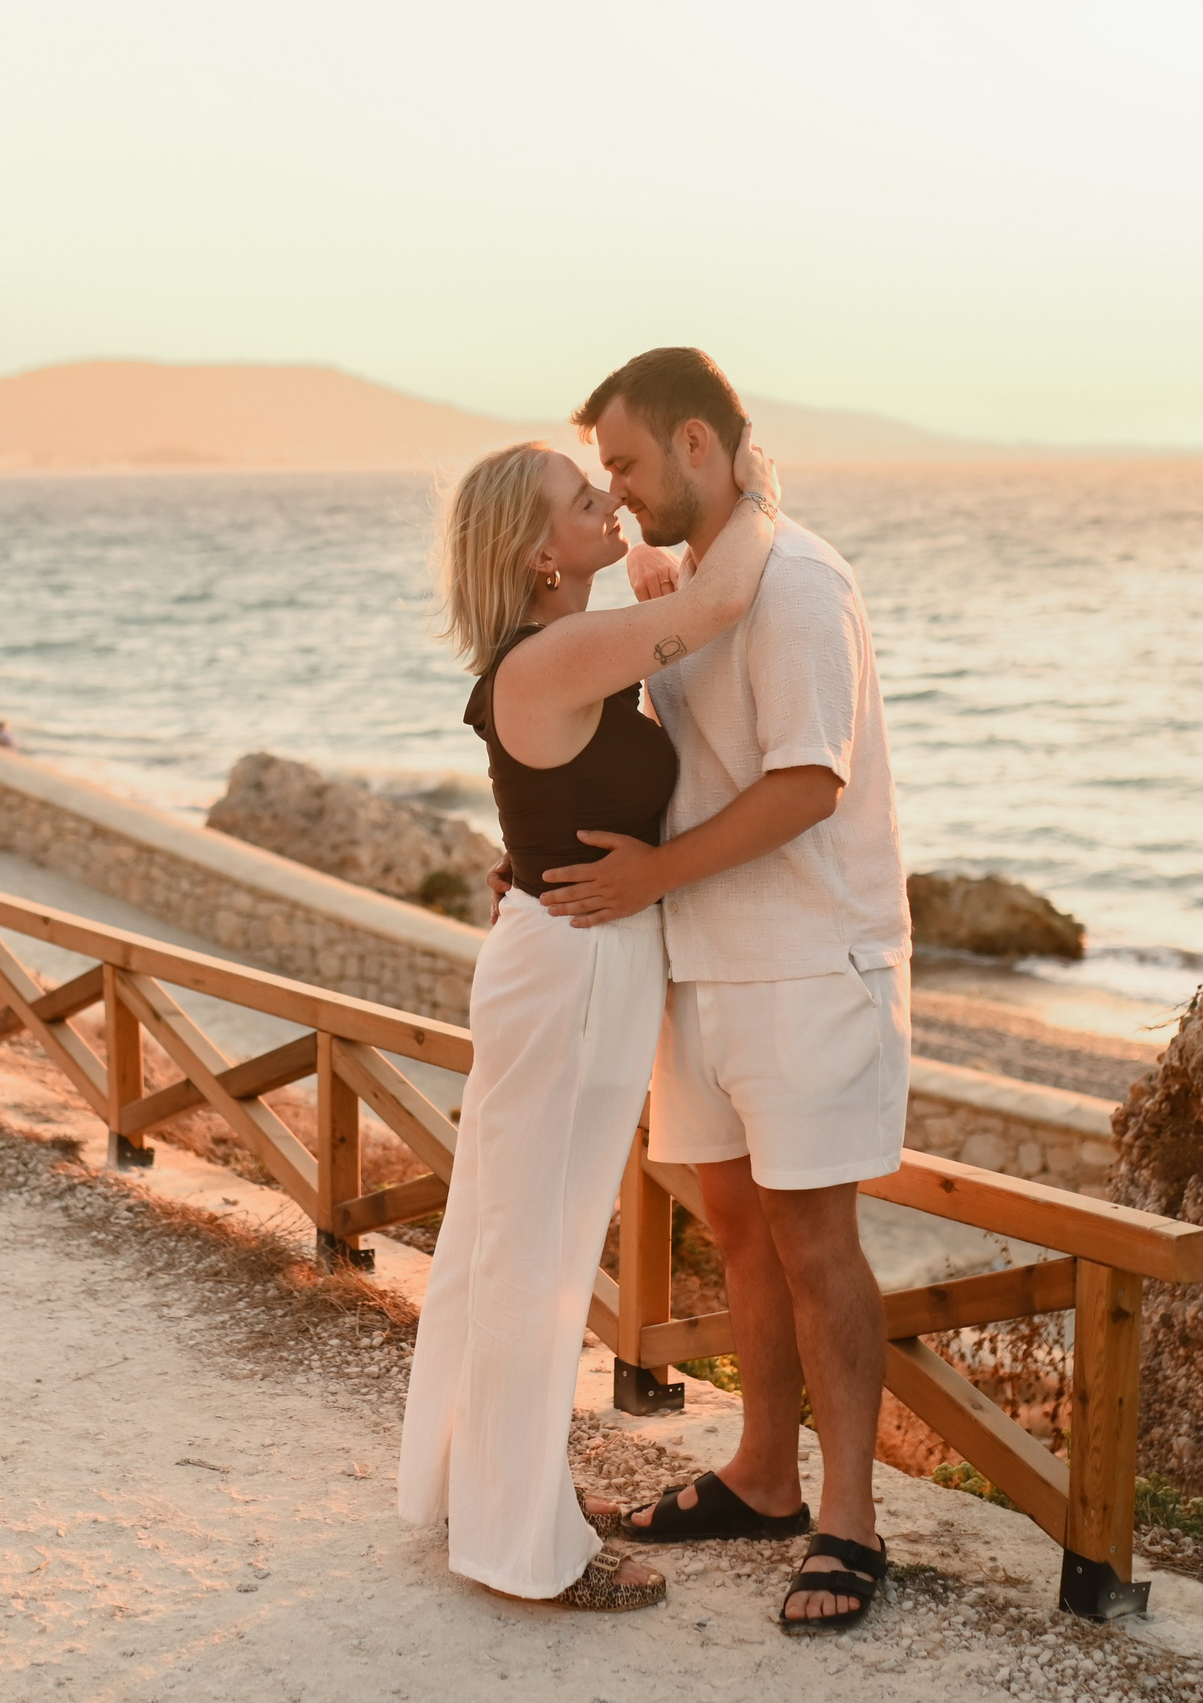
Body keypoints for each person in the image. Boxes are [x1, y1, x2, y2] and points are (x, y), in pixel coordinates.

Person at [546, 349, 910, 1634]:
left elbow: (808, 781)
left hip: (811, 962)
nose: (620, 491)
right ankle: (762, 1473)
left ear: (696, 443)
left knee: (819, 1244)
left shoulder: (797, 583)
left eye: (629, 464)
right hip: (700, 959)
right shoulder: (703, 580)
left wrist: (650, 875)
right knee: (741, 1234)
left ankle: (850, 1517)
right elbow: (675, 762)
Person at [397, 428, 783, 1612]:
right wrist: (755, 491)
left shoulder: (567, 648)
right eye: (582, 497)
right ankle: (525, 1545)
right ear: (534, 550)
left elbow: (667, 614)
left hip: (567, 963)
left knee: (505, 1238)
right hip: (569, 977)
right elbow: (719, 599)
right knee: (537, 1256)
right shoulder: (551, 658)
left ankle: (468, 1488)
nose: (608, 500)